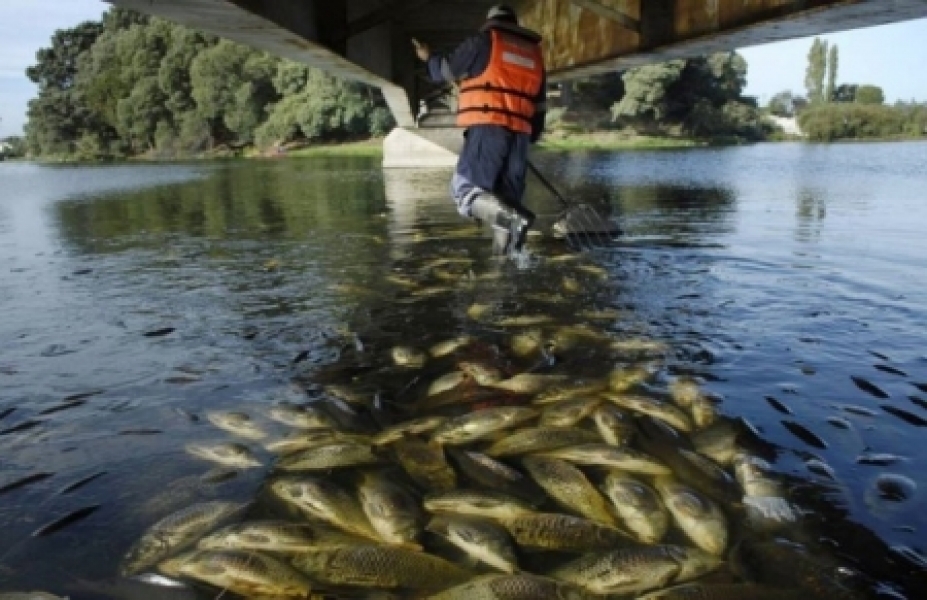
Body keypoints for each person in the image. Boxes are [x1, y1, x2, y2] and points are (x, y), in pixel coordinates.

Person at [412, 4, 547, 256]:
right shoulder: (534, 55)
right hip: (519, 135)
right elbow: (539, 107)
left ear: (491, 22)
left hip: (488, 129)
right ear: (514, 24)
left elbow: (446, 70)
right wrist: (529, 138)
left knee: (465, 191)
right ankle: (504, 266)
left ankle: (515, 223)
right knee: (508, 202)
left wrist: (428, 57)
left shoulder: (483, 42)